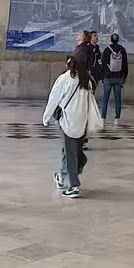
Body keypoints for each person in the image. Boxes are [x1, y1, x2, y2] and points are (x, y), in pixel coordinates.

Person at [44, 48, 95, 197]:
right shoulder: (87, 81)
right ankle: (63, 175)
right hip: (82, 122)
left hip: (68, 121)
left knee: (72, 154)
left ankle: (74, 186)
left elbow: (54, 99)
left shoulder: (66, 78)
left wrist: (46, 117)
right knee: (72, 152)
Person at [99, 33, 128, 123]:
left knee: (105, 99)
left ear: (111, 40)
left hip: (107, 77)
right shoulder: (122, 50)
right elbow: (125, 65)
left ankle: (103, 117)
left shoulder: (107, 50)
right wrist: (124, 76)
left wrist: (102, 76)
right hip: (118, 77)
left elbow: (103, 64)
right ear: (118, 40)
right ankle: (117, 118)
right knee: (117, 98)